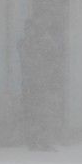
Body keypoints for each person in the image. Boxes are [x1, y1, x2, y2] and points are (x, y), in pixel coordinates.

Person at [18, 18, 56, 151]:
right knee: (34, 114)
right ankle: (34, 142)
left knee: (41, 114)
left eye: (33, 29)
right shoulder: (26, 44)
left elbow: (49, 58)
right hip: (31, 85)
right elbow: (32, 63)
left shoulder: (38, 43)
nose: (32, 32)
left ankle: (41, 141)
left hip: (38, 84)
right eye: (30, 29)